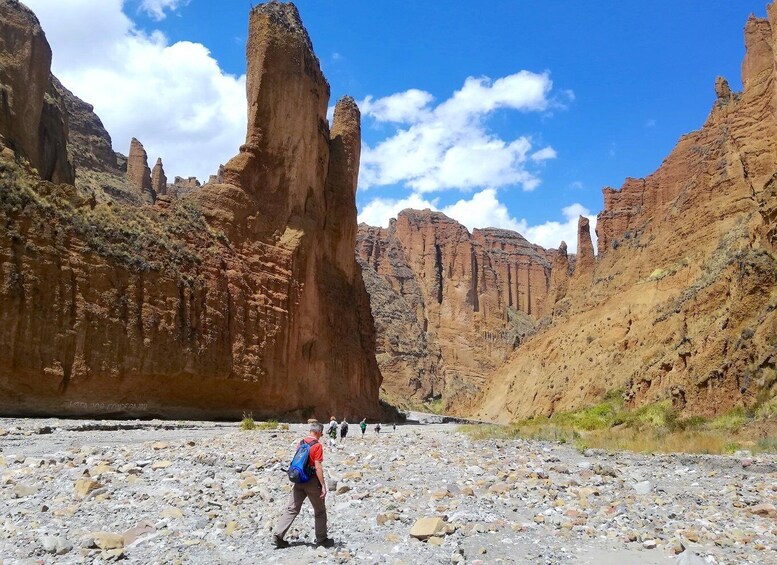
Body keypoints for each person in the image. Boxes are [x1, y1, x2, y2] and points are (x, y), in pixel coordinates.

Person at [273, 422, 334, 549]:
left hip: (299, 480)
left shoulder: (301, 443)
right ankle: (322, 540)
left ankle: (278, 535)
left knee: (292, 508)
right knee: (320, 511)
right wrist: (323, 485)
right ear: (318, 432)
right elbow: (317, 466)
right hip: (311, 481)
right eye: (321, 434)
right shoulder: (317, 445)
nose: (321, 436)